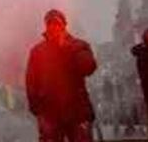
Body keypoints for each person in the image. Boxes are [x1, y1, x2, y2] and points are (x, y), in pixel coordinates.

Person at [24, 9, 97, 142]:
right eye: (50, 24)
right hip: (49, 113)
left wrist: (68, 47)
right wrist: (37, 109)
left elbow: (88, 68)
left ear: (64, 25)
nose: (54, 27)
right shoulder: (38, 51)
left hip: (77, 111)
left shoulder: (79, 45)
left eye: (57, 23)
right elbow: (31, 81)